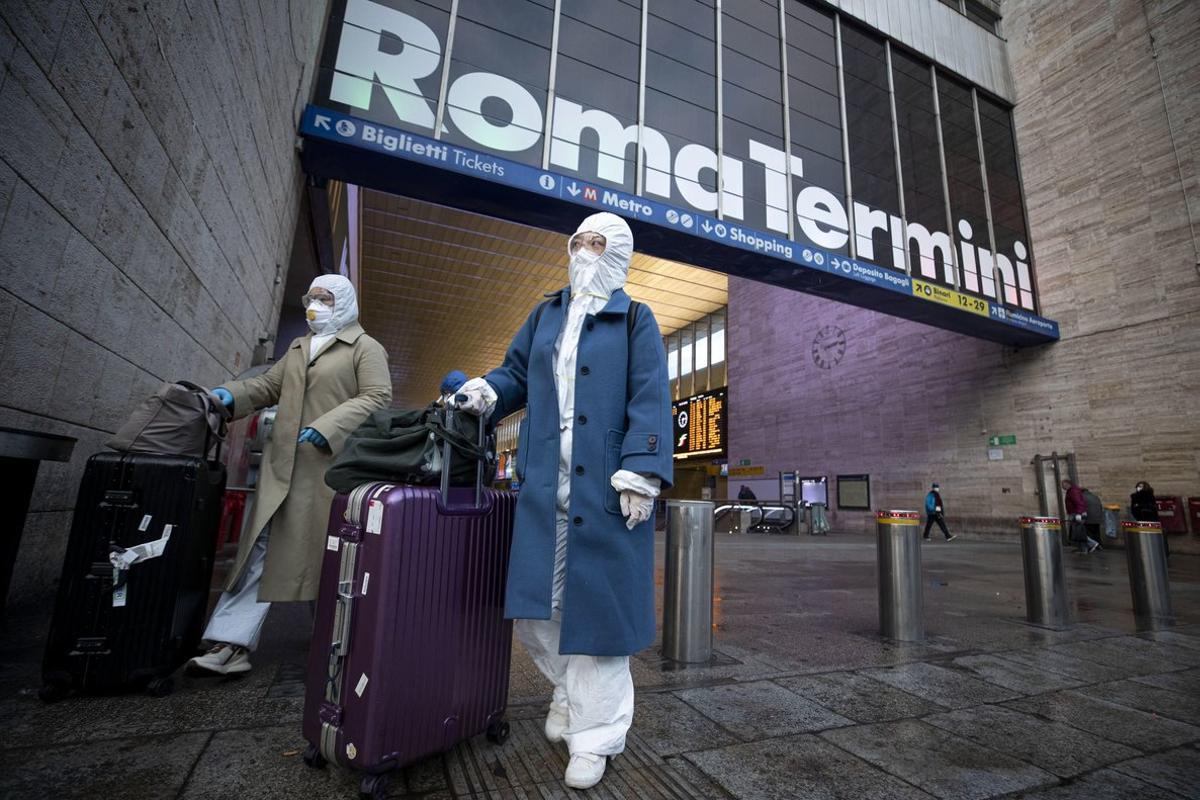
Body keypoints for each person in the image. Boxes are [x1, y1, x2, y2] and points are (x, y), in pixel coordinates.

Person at [455, 212, 672, 790]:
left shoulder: (635, 318)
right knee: (535, 608)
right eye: (577, 241)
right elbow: (516, 373)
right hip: (544, 483)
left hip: (605, 486)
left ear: (618, 253)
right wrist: (487, 390)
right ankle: (567, 693)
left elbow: (651, 393)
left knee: (599, 619)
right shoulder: (545, 313)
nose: (582, 250)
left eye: (597, 243)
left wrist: (643, 470)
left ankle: (596, 735)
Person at [188, 275, 392, 676]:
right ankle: (231, 643)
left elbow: (377, 397)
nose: (314, 306)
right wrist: (231, 394)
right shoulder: (299, 348)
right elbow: (267, 385)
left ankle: (338, 642)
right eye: (311, 298)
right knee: (259, 552)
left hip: (327, 473)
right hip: (282, 472)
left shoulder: (365, 348)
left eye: (325, 299)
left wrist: (330, 426)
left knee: (329, 557)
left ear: (345, 303)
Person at [1131, 480, 1167, 559]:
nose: (1138, 488)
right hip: (1152, 519)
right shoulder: (1150, 496)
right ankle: (1158, 553)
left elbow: (1133, 509)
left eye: (1139, 487)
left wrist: (1138, 515)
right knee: (1153, 538)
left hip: (1144, 519)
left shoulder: (1136, 497)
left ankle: (1149, 553)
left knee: (1146, 538)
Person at [1063, 479, 1100, 553]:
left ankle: (1091, 545)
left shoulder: (1073, 491)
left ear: (1068, 484)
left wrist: (1079, 513)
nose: (1062, 486)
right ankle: (1083, 548)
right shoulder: (1071, 491)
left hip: (1077, 513)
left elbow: (1079, 503)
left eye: (1063, 484)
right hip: (1075, 513)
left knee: (1079, 533)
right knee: (1077, 533)